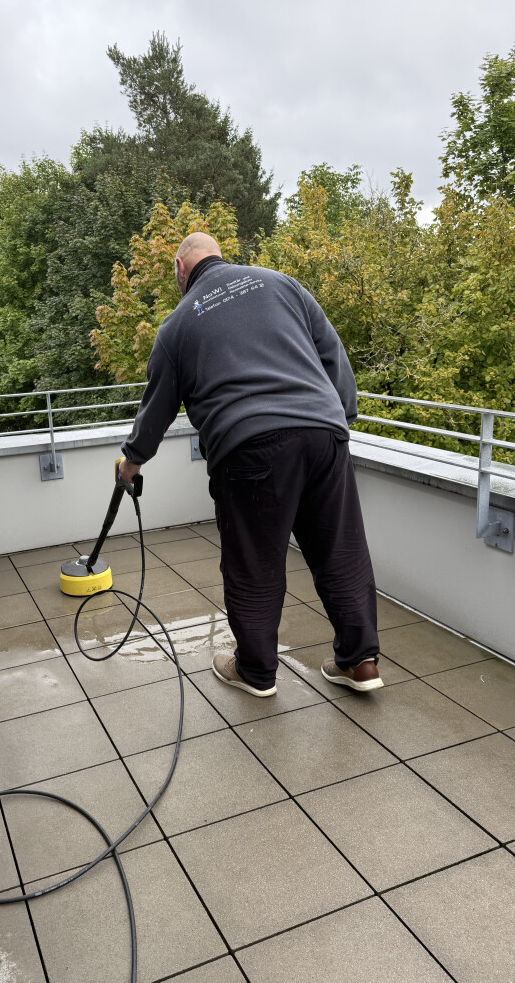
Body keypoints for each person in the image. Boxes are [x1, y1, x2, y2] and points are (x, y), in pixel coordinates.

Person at [118, 232, 381, 696]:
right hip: (323, 434)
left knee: (254, 563)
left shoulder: (177, 326)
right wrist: (341, 417)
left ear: (181, 269)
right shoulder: (281, 284)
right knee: (340, 551)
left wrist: (133, 460)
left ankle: (256, 671)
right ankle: (360, 663)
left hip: (249, 449)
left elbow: (157, 405)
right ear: (218, 255)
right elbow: (331, 351)